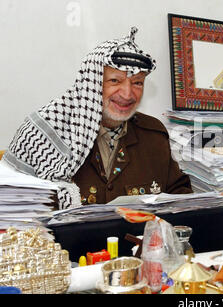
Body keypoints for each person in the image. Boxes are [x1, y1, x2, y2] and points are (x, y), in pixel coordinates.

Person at [3, 27, 192, 209]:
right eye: (115, 81)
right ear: (91, 84)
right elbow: (11, 207)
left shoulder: (153, 135)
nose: (127, 94)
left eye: (137, 83)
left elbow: (179, 195)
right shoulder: (42, 133)